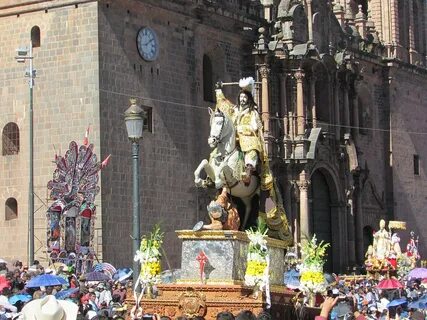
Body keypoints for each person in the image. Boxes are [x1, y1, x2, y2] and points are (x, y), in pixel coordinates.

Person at [216, 78, 273, 190]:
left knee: (251, 147)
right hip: (234, 138)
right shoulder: (235, 110)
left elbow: (255, 127)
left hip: (247, 138)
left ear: (249, 99)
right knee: (217, 149)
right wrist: (218, 90)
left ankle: (248, 169)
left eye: (245, 97)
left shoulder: (253, 112)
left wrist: (241, 128)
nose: (242, 99)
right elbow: (224, 106)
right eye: (241, 97)